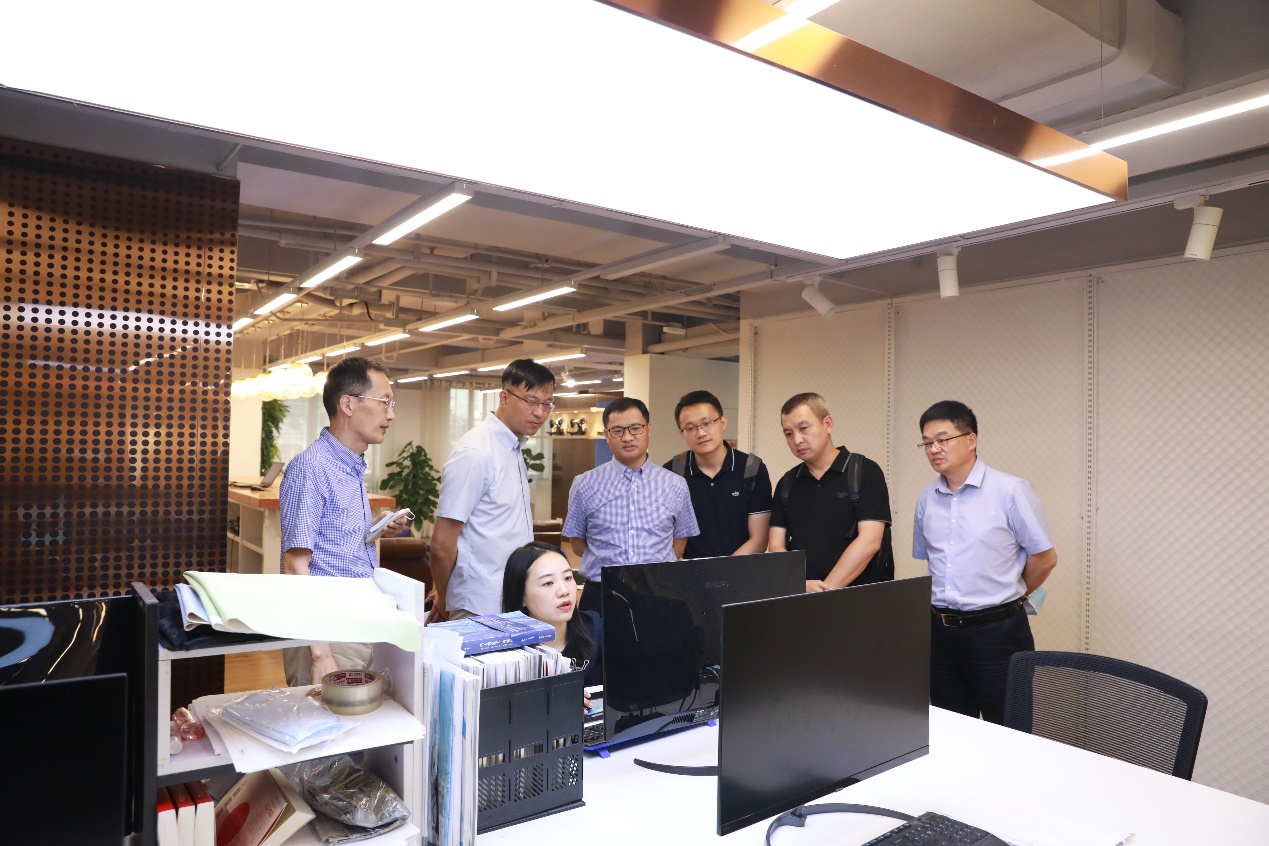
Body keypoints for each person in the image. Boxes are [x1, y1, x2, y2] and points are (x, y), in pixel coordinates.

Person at [913, 400, 1057, 725]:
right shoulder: (927, 498)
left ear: (971, 439)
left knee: (1008, 730)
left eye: (942, 439)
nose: (934, 449)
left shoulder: (1010, 491)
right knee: (950, 732)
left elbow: (1045, 559)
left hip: (998, 633)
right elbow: (930, 560)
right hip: (940, 633)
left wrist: (1013, 593)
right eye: (927, 442)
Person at [279, 356, 412, 686]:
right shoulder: (311, 468)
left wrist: (375, 526)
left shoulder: (350, 465)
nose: (391, 414)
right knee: (324, 717)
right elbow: (294, 565)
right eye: (384, 402)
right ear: (348, 404)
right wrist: (320, 654)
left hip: (360, 620)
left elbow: (333, 542)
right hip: (327, 630)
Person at [429, 358, 556, 622]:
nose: (540, 413)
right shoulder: (475, 452)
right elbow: (441, 544)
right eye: (531, 401)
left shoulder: (512, 447)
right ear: (504, 398)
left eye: (547, 404)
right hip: (479, 604)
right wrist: (445, 597)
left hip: (511, 597)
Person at [562, 397, 699, 616]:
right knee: (595, 640)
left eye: (635, 428)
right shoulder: (584, 484)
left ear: (648, 430)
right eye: (617, 431)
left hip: (659, 594)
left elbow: (679, 543)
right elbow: (577, 542)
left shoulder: (675, 485)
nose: (627, 437)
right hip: (600, 595)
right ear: (607, 435)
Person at [768, 392, 893, 592]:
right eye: (788, 433)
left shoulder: (864, 471)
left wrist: (824, 593)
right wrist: (799, 585)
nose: (797, 440)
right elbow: (776, 545)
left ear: (827, 424)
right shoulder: (787, 483)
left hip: (861, 599)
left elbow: (869, 541)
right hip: (803, 597)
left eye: (803, 428)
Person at [664, 390, 772, 559]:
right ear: (682, 434)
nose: (701, 433)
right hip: (690, 571)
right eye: (690, 428)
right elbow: (668, 538)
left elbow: (759, 540)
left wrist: (724, 570)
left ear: (723, 422)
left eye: (707, 423)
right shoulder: (672, 473)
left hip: (742, 569)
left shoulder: (752, 469)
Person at [502, 541, 602, 688]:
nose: (564, 591)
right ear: (521, 595)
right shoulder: (503, 653)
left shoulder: (595, 628)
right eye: (548, 583)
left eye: (568, 578)